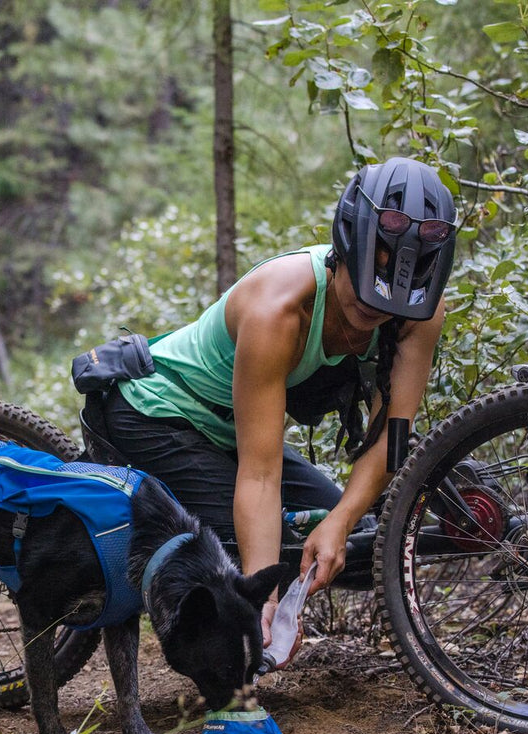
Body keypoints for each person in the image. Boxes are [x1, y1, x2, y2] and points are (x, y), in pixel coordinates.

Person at [101, 156, 456, 631]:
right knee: (264, 550)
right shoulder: (280, 308)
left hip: (227, 432)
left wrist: (341, 520)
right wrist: (262, 597)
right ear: (342, 253)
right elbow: (261, 475)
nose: (375, 313)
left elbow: (391, 438)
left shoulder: (421, 312)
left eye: (390, 306)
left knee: (357, 543)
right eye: (364, 297)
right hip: (157, 412)